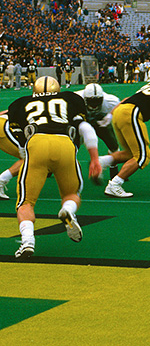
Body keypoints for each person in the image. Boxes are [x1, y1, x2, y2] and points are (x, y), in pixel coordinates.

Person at [8, 76, 101, 259]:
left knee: (26, 202)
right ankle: (68, 210)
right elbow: (86, 129)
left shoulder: (19, 103)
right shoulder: (71, 99)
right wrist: (94, 159)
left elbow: (20, 143)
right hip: (65, 143)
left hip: (37, 142)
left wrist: (28, 156)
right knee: (72, 193)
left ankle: (28, 241)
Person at [75, 83, 122, 180]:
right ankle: (54, 167)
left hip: (101, 123)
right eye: (91, 101)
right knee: (72, 147)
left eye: (97, 101)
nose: (94, 105)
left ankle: (114, 170)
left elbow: (120, 108)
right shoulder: (75, 98)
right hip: (82, 123)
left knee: (114, 146)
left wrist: (110, 116)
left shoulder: (111, 101)